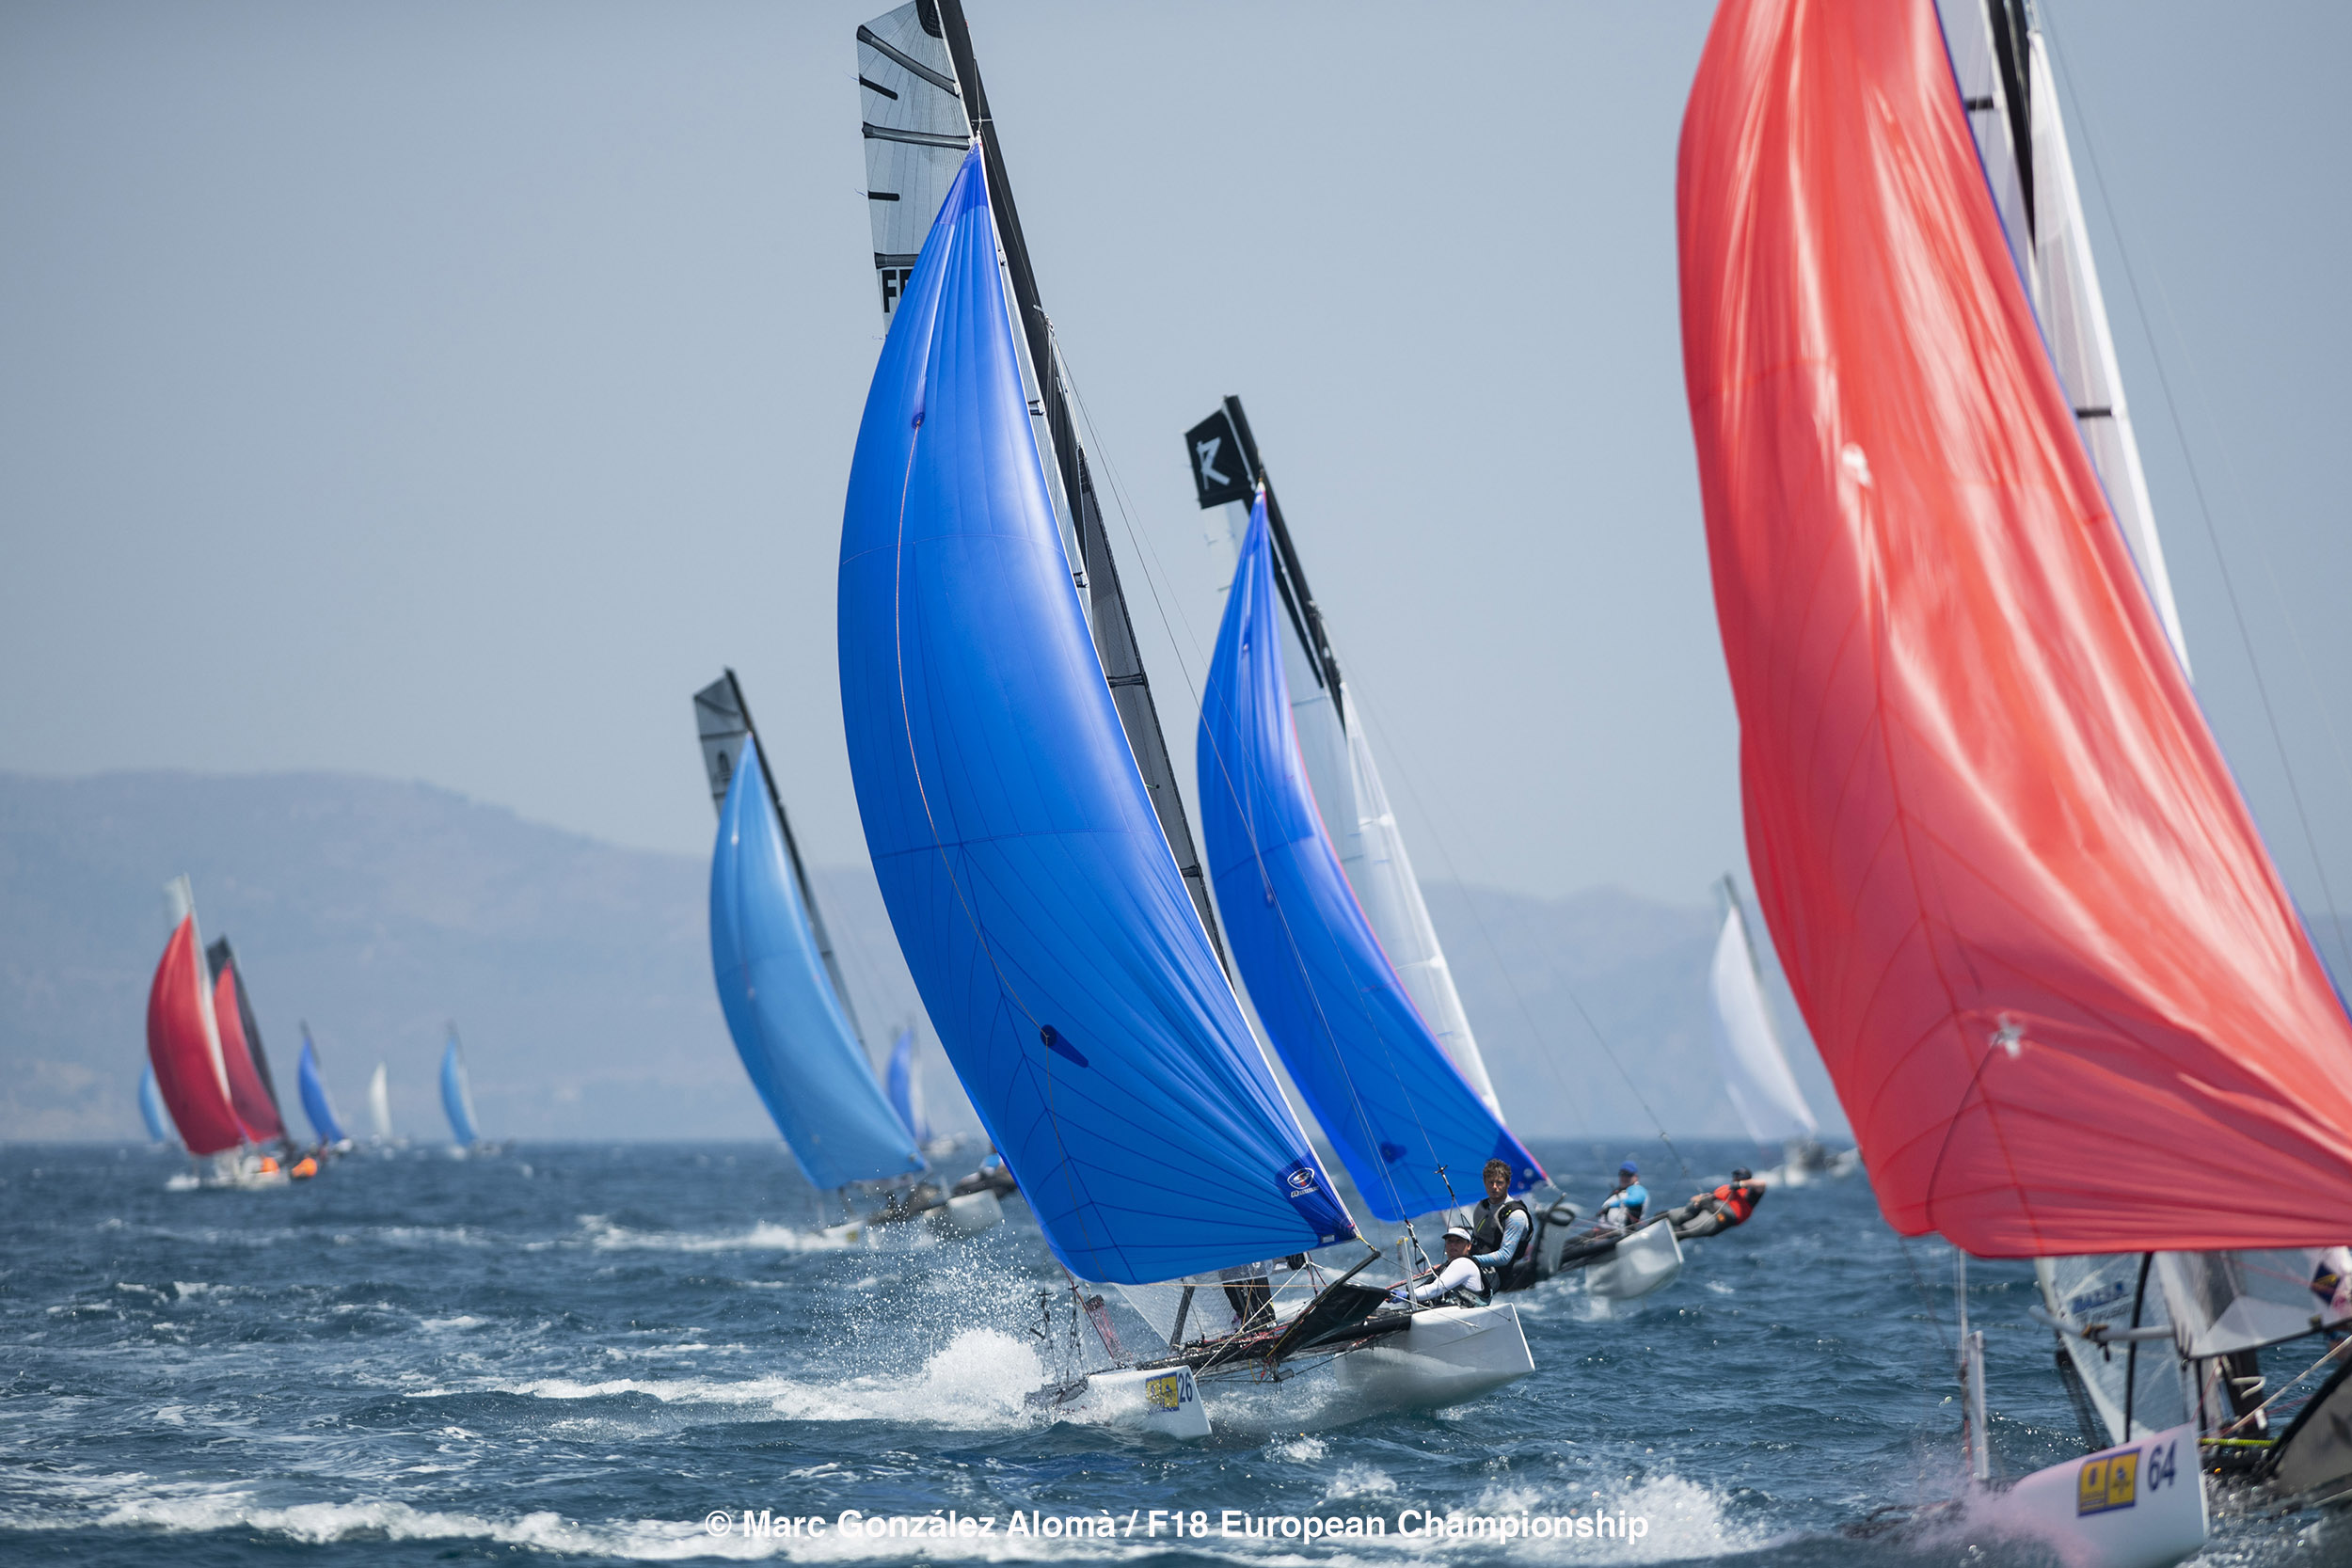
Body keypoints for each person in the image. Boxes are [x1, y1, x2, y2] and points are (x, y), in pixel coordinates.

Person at [1555, 1161, 1650, 1270]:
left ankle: (1556, 1263)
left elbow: (1635, 1200)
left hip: (1617, 1235)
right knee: (1569, 1244)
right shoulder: (1619, 1191)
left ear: (1636, 1176)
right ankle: (1549, 1259)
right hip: (1600, 1231)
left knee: (1579, 1249)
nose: (1624, 1177)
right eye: (1622, 1174)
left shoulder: (1637, 1190)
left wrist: (1612, 1205)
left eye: (1628, 1175)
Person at [1468, 1158, 1533, 1291]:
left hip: (1497, 1275)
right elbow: (1474, 1239)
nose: (1494, 1187)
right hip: (1474, 1266)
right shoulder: (1482, 1207)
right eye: (1490, 1182)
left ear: (1508, 1183)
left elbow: (1504, 1257)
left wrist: (1468, 1261)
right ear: (1484, 1182)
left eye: (1499, 1183)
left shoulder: (1516, 1215)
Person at [1390, 1227, 1485, 1307]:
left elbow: (1435, 1289)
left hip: (1468, 1318)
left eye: (1458, 1241)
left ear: (1469, 1246)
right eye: (1450, 1241)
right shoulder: (1446, 1267)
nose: (1453, 1245)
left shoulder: (1464, 1263)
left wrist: (1405, 1295)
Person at [1665, 1168, 1768, 1240]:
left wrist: (1740, 1184)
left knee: (1683, 1231)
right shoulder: (1726, 1189)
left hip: (1719, 1218)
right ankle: (1661, 1222)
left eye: (1739, 1177)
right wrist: (1700, 1199)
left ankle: (1668, 1238)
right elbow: (1694, 1198)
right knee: (1668, 1215)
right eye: (1735, 1177)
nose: (1735, 1179)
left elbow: (1761, 1183)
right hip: (1706, 1207)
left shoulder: (1751, 1195)